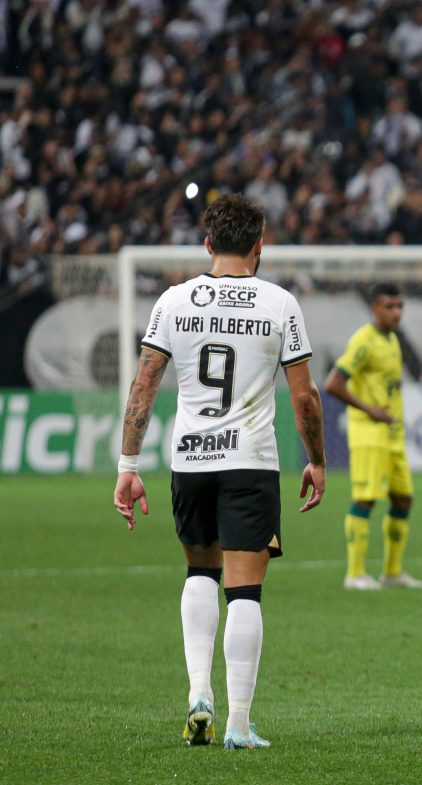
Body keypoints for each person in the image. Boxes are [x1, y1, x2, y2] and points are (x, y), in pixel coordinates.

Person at [113, 194, 326, 751]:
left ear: (207, 244)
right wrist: (318, 460)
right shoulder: (279, 303)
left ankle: (198, 696)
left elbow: (142, 389)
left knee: (200, 576)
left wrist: (128, 466)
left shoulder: (173, 301)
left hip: (190, 463)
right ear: (260, 244)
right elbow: (305, 398)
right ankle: (237, 725)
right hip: (249, 462)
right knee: (246, 593)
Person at [324, 283, 422, 590]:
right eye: (389, 307)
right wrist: (370, 410)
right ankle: (354, 574)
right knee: (365, 499)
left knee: (402, 498)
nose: (396, 313)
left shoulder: (392, 339)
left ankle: (392, 572)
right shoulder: (364, 341)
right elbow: (333, 383)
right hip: (368, 433)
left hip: (392, 434)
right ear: (375, 309)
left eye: (399, 306)